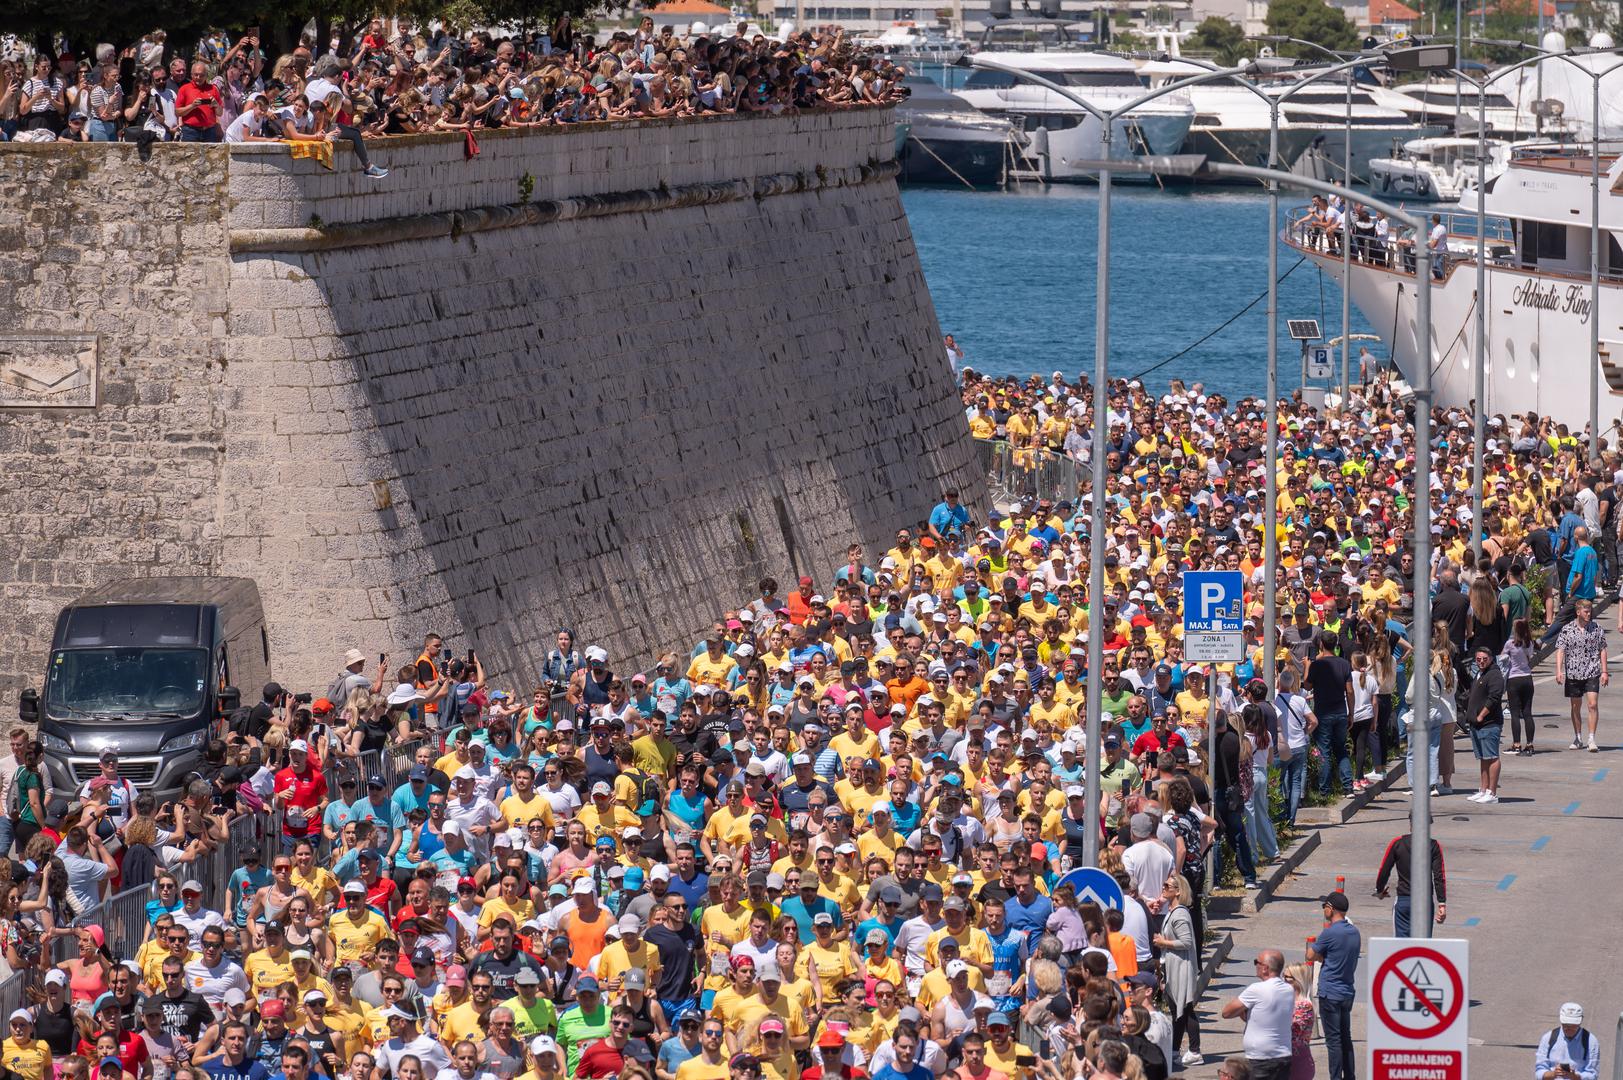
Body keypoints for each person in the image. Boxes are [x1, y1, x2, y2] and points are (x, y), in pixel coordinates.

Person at [1306, 894, 1358, 1080]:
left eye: (1324, 907)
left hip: (1330, 993)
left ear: (1331, 908)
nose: (1324, 911)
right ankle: (1350, 1076)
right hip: (1347, 991)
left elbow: (1310, 955)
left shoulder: (1330, 933)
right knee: (1346, 1038)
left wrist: (1322, 955)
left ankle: (1335, 1077)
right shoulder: (1354, 932)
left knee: (1334, 1041)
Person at [1221, 950, 1293, 1080]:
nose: (1255, 965)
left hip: (1261, 1058)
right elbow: (1267, 1017)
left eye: (1256, 962)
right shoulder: (1288, 989)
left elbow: (1226, 1012)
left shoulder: (1257, 989)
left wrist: (1242, 1010)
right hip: (1283, 1056)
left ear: (1265, 968)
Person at [1374, 822, 1447, 937]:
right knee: (1423, 943)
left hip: (1404, 900)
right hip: (1425, 902)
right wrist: (1441, 903)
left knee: (1401, 944)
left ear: (1410, 825)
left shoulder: (1398, 843)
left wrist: (1379, 890)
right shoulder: (1433, 845)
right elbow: (1439, 876)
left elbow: (1384, 870)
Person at [1554, 599, 1608, 753]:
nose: (1589, 614)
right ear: (1578, 612)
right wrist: (1559, 670)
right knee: (1575, 706)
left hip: (1592, 671)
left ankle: (1591, 738)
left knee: (1592, 704)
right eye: (1586, 611)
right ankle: (1578, 737)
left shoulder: (1597, 628)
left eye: (1590, 611)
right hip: (1573, 672)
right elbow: (1560, 650)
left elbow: (1602, 649)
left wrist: (1604, 671)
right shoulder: (1567, 629)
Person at [1464, 644, 1506, 803]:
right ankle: (1483, 789)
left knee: (1492, 757)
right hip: (1476, 724)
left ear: (1491, 659)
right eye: (1478, 659)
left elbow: (1494, 698)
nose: (1481, 662)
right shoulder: (1480, 673)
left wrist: (1481, 715)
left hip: (1489, 723)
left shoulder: (1494, 674)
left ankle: (1492, 793)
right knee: (1483, 758)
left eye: (1484, 659)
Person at [1534, 1003, 1600, 1080]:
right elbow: (1539, 1072)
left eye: (1574, 1025)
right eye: (1566, 1024)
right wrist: (1554, 1074)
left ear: (1581, 1021)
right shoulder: (1548, 1038)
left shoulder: (1591, 1041)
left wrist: (1575, 1077)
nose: (1569, 1028)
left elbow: (1592, 1075)